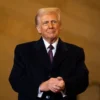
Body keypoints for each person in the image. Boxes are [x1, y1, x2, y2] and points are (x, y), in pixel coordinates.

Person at [9, 7, 89, 100]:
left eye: (54, 22)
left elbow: (83, 80)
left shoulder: (75, 52)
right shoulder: (23, 50)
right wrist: (42, 86)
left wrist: (64, 85)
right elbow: (15, 80)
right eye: (45, 23)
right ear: (39, 28)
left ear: (60, 26)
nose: (50, 26)